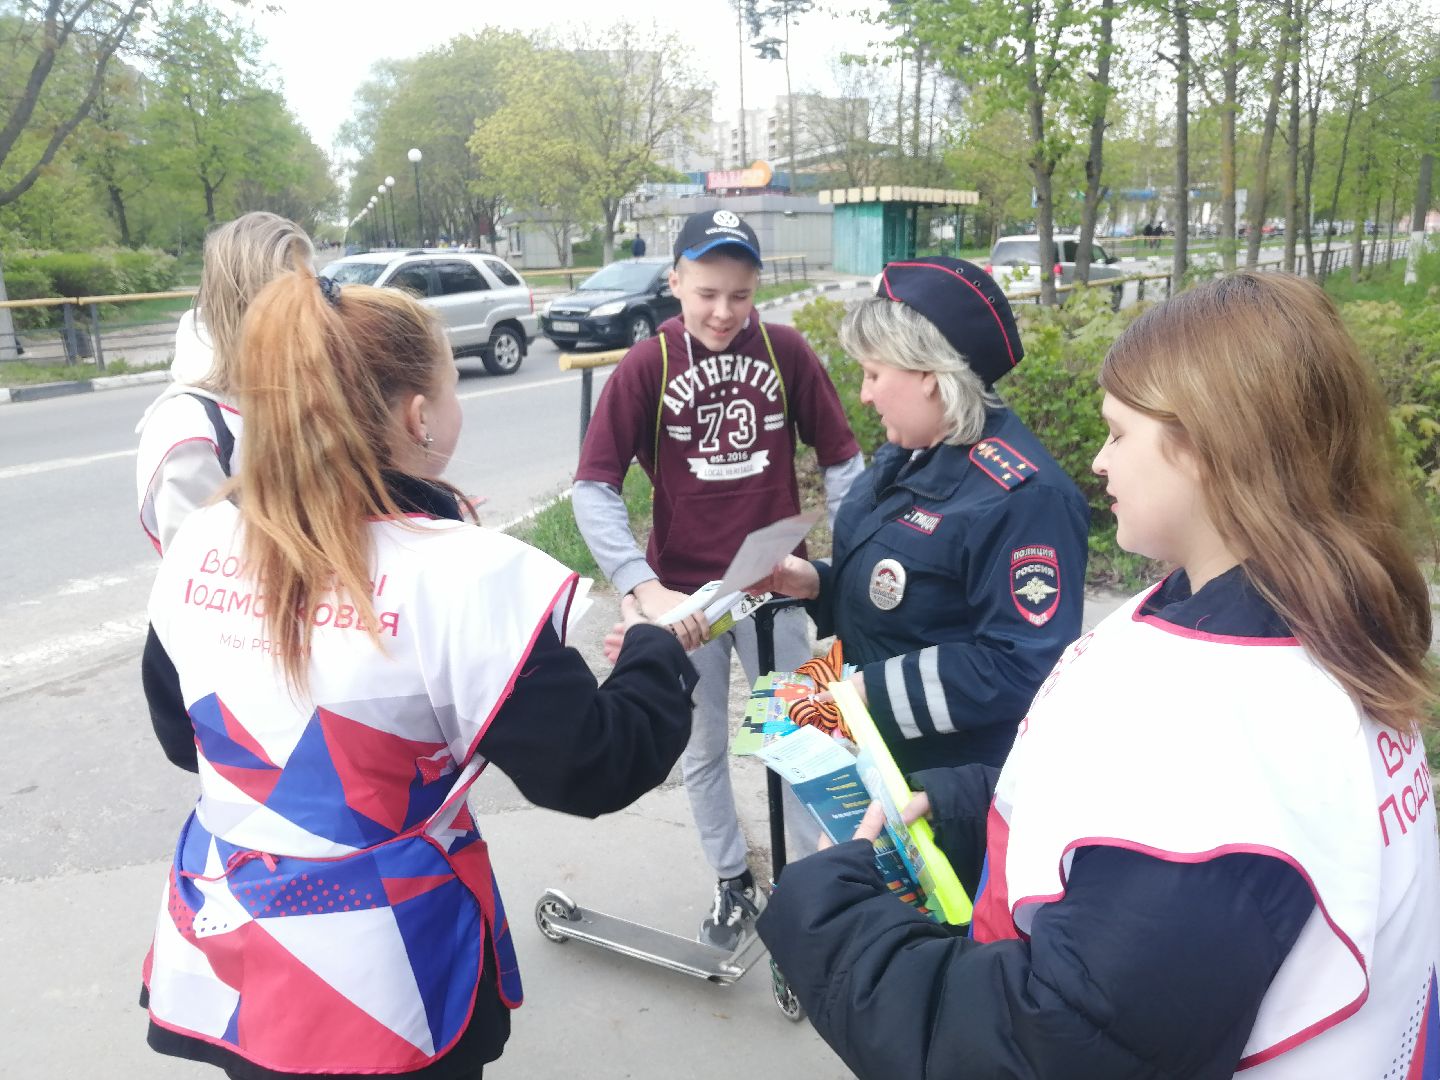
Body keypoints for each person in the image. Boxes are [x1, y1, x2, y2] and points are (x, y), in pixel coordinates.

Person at [758, 271, 1440, 1079]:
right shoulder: (1256, 610)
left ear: (1205, 447)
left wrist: (829, 918)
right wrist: (970, 802)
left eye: (1117, 434)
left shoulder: (1232, 728)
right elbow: (1116, 822)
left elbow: (1059, 1038)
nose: (1095, 458)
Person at [139, 271, 698, 1078]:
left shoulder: (200, 542)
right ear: (419, 415)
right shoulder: (465, 576)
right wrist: (657, 649)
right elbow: (595, 765)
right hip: (386, 974)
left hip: (235, 951)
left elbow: (178, 734)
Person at [573, 208, 864, 951]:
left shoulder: (785, 351)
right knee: (699, 749)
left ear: (757, 287)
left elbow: (842, 460)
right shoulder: (648, 364)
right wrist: (642, 590)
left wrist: (845, 566)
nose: (723, 311)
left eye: (739, 293)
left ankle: (818, 888)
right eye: (706, 292)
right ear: (675, 283)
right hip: (688, 603)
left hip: (774, 590)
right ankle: (733, 878)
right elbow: (593, 486)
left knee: (805, 742)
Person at [750, 257, 1089, 774]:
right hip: (878, 753)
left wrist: (867, 693)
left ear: (929, 374)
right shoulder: (913, 448)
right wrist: (817, 583)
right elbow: (913, 594)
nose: (864, 395)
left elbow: (1021, 665)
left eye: (873, 374)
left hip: (953, 787)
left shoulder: (1023, 497)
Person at [135, 211, 314, 554]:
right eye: (296, 299)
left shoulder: (294, 387)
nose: (317, 313)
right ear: (245, 306)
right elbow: (206, 581)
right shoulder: (188, 430)